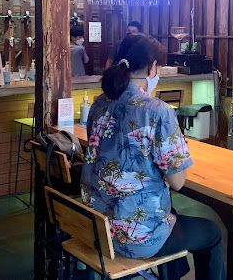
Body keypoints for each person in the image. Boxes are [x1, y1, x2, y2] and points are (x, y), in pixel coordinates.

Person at [81, 34, 224, 280]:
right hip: (133, 237)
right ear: (152, 68)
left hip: (95, 225)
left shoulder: (98, 105)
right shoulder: (158, 111)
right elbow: (178, 182)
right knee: (212, 233)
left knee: (171, 215)